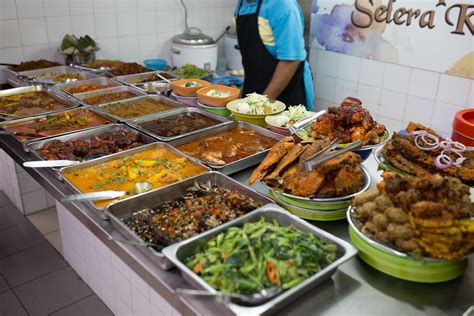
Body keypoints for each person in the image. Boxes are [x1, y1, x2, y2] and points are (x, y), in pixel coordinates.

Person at [235, 0, 314, 110]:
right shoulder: (242, 4)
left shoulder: (283, 5)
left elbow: (290, 61)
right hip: (255, 94)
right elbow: (252, 62)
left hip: (287, 97)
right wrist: (239, 101)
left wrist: (261, 107)